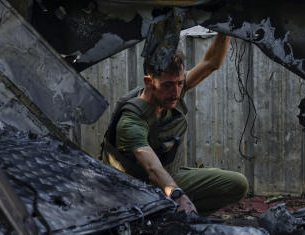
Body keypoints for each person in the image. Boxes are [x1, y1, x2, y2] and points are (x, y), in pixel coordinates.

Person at [100, 34, 248, 216]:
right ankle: (162, 216)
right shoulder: (131, 121)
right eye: (169, 85)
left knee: (237, 184)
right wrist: (179, 196)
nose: (176, 92)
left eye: (179, 83)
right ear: (149, 82)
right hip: (132, 190)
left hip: (165, 178)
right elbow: (152, 169)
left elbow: (212, 63)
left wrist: (226, 29)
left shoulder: (170, 92)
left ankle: (179, 217)